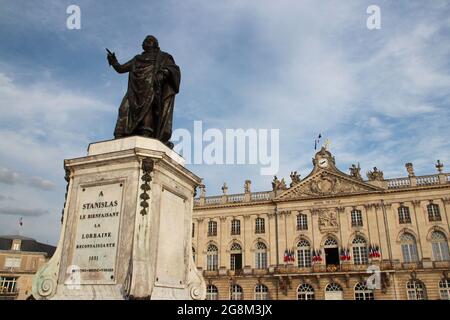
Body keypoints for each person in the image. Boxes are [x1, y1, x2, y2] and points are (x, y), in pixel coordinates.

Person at [107, 35, 180, 148]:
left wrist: (164, 72)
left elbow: (173, 69)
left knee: (148, 112)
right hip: (135, 91)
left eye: (149, 40)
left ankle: (146, 134)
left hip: (151, 90)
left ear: (155, 44)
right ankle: (119, 135)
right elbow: (121, 69)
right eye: (145, 41)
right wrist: (114, 62)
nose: (145, 42)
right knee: (124, 109)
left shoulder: (164, 57)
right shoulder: (137, 59)